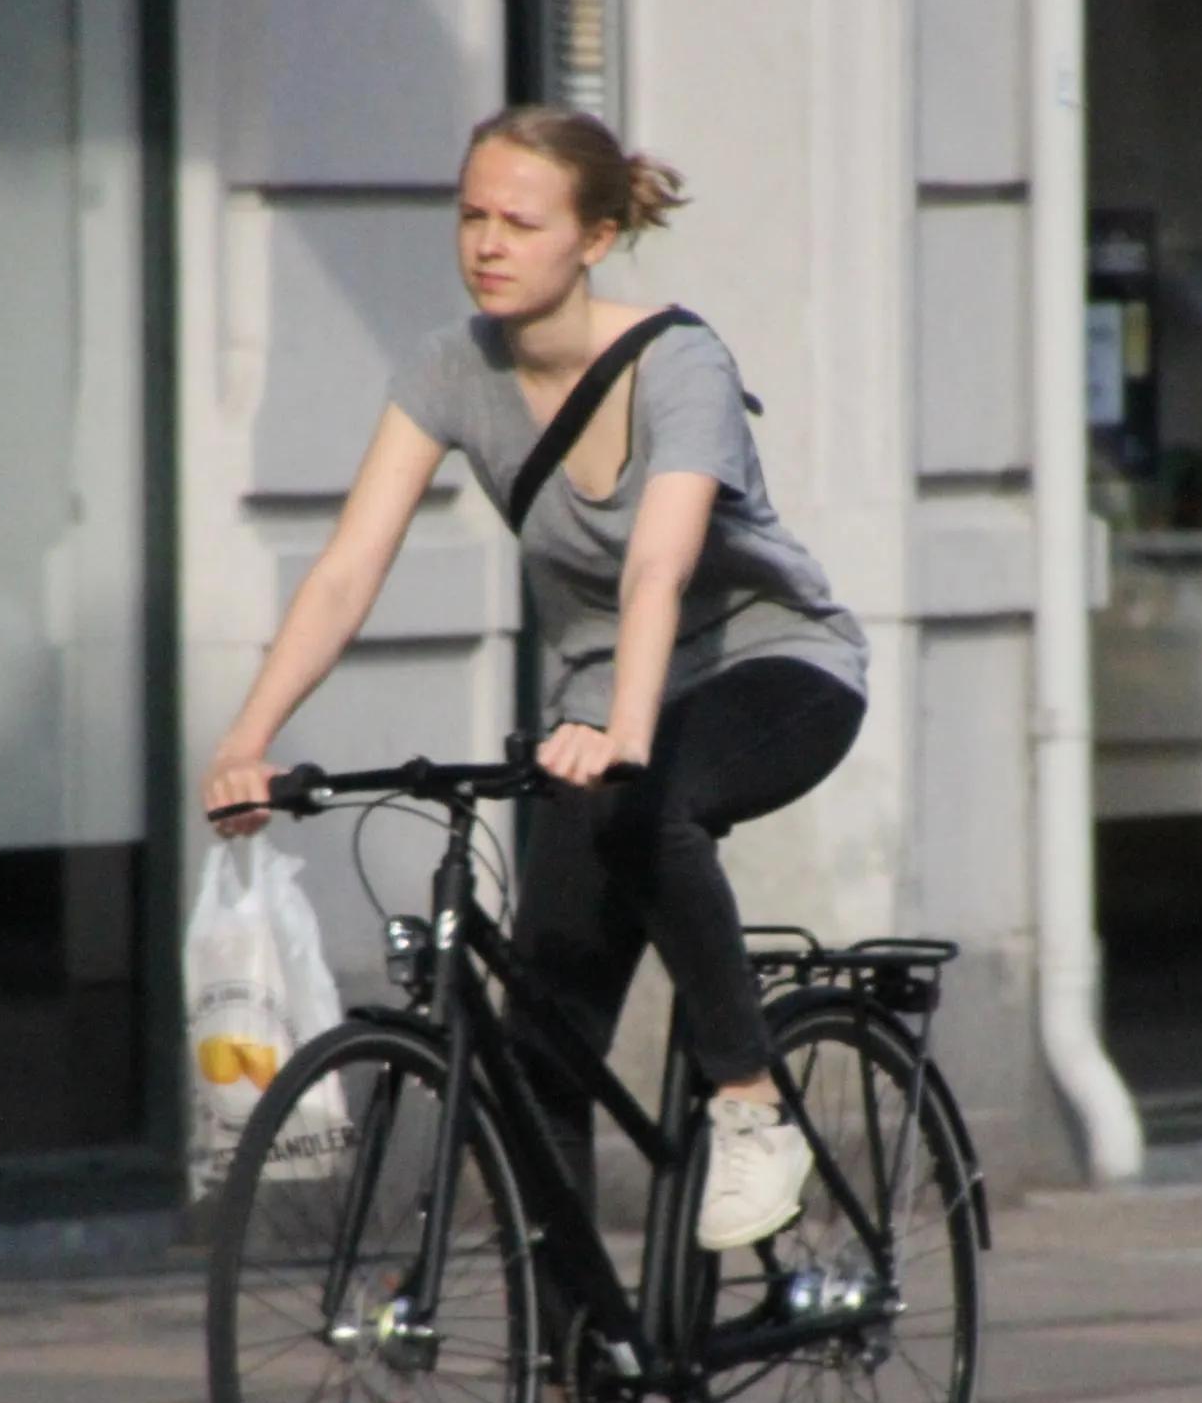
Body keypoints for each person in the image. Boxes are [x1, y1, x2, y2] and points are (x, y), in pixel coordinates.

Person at [202, 104, 870, 1263]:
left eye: (520, 221)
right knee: (539, 1058)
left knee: (648, 805)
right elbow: (349, 567)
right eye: (471, 215)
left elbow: (657, 566)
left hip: (773, 669)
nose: (487, 243)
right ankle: (574, 1359)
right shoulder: (451, 367)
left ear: (596, 238)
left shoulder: (680, 364)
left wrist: (623, 732)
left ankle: (750, 1100)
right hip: (600, 712)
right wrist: (245, 739)